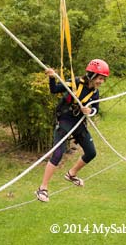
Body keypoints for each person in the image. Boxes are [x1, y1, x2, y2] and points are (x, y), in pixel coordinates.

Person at [35, 59, 109, 202]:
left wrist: (89, 110)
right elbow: (54, 89)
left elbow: (96, 109)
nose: (101, 82)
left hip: (79, 122)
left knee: (91, 152)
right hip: (65, 120)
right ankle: (42, 188)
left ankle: (71, 174)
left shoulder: (95, 92)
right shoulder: (74, 83)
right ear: (92, 75)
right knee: (58, 153)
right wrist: (51, 77)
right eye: (100, 78)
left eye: (103, 79)